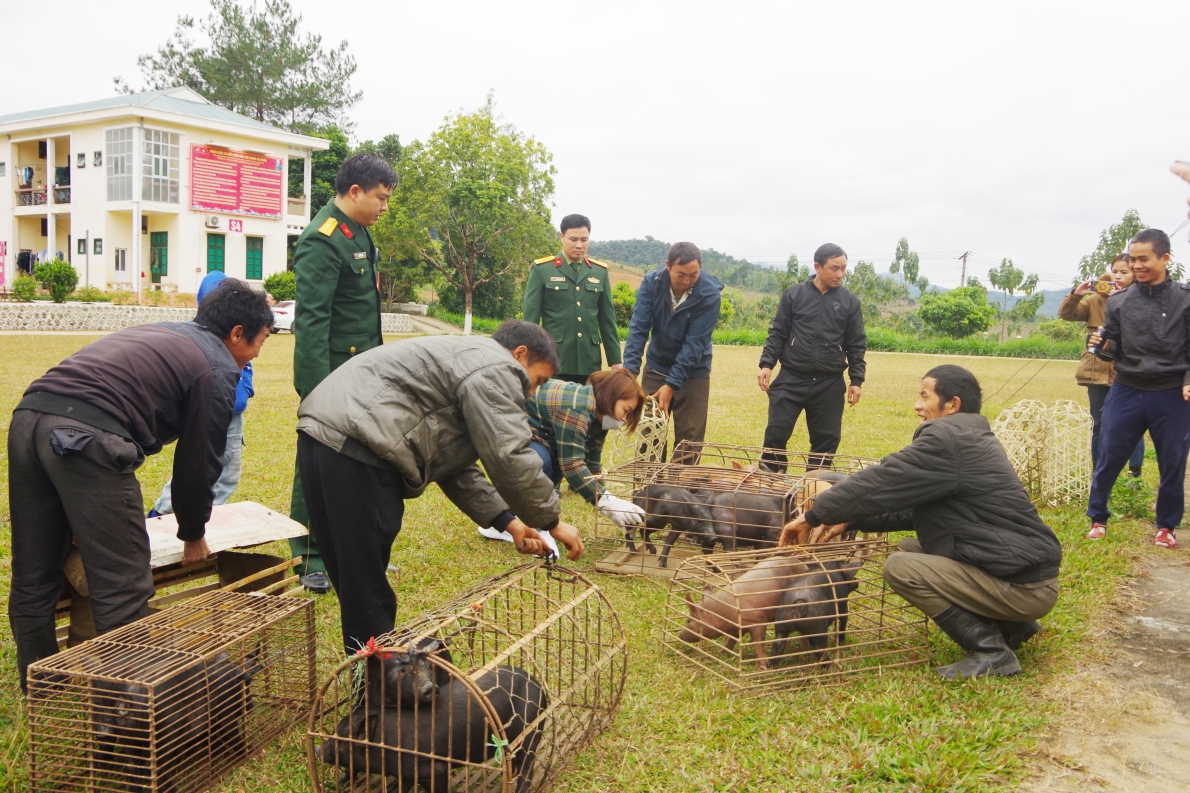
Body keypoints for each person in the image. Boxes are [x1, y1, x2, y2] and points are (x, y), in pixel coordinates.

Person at [8, 281, 273, 691]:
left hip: (29, 419)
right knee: (122, 584)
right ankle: (128, 709)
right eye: (260, 342)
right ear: (238, 333)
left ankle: (42, 688)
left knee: (35, 571)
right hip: (87, 438)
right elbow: (199, 463)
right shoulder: (218, 365)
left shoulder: (168, 331)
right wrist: (192, 533)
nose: (256, 355)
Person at [295, 320, 586, 656]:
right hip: (361, 450)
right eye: (538, 380)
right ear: (520, 355)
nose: (531, 392)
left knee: (355, 583)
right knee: (367, 590)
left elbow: (453, 465)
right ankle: (377, 697)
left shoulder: (464, 358)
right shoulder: (498, 366)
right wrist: (551, 521)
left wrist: (509, 521)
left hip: (320, 437)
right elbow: (509, 455)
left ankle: (370, 678)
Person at [778, 364, 1062, 680]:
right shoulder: (969, 437)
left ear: (952, 405)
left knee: (901, 567)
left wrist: (813, 515)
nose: (917, 405)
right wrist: (852, 517)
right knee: (914, 547)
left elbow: (882, 481)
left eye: (924, 396)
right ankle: (1014, 627)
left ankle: (991, 651)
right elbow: (917, 510)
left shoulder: (946, 439)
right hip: (1027, 578)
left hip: (1024, 587)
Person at [289, 153, 398, 593]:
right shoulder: (323, 239)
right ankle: (310, 556)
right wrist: (316, 392)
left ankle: (359, 552)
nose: (384, 207)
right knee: (317, 463)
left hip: (364, 373)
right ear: (355, 192)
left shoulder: (360, 234)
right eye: (380, 198)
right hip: (332, 375)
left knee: (363, 462)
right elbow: (312, 321)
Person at [1086, 229, 1190, 548]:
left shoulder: (1185, 300)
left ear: (1165, 258)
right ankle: (1098, 518)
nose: (1137, 265)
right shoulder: (1118, 301)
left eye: (1144, 259)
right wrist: (1103, 346)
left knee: (1173, 461)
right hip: (1127, 389)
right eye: (1133, 259)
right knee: (1109, 453)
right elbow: (1114, 344)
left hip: (1173, 394)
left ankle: (1166, 527)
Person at [478, 368, 648, 550]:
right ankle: (503, 525)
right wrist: (607, 501)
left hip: (540, 433)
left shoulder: (599, 415)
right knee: (540, 461)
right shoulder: (577, 407)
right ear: (611, 396)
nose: (624, 418)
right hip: (507, 430)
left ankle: (524, 518)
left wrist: (610, 506)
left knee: (555, 465)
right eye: (626, 410)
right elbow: (572, 464)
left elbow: (592, 463)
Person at [149, 271, 255, 516]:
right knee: (202, 470)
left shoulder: (237, 335)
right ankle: (166, 513)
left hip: (232, 413)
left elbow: (246, 370)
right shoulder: (198, 336)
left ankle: (204, 517)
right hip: (208, 411)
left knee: (226, 473)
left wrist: (245, 390)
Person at [757, 243, 865, 472]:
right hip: (792, 377)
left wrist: (856, 380)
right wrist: (767, 364)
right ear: (817, 266)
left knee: (826, 441)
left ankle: (814, 490)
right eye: (834, 268)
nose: (840, 274)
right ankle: (770, 485)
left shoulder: (849, 302)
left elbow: (856, 344)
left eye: (844, 268)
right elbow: (778, 332)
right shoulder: (794, 295)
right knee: (775, 433)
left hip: (829, 382)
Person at [622, 242, 723, 464]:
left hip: (693, 372)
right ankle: (646, 494)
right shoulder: (652, 283)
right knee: (650, 433)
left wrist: (671, 385)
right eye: (681, 274)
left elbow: (695, 344)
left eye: (693, 275)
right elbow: (638, 330)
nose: (687, 281)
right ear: (668, 266)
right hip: (657, 365)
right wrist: (628, 377)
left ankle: (682, 495)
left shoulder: (710, 294)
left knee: (690, 440)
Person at [1058, 260, 1144, 477]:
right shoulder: (1095, 301)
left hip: (1126, 371)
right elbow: (1067, 314)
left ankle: (1135, 473)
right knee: (1098, 423)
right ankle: (1099, 471)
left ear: (1134, 275)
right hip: (1096, 370)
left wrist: (1121, 300)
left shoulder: (1142, 300)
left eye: (1124, 272)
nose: (1117, 276)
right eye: (1114, 271)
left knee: (1132, 422)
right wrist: (1077, 294)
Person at [523, 214, 623, 384]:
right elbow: (530, 320)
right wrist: (527, 359)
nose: (579, 245)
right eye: (573, 239)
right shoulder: (543, 270)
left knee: (587, 408)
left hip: (589, 361)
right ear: (561, 236)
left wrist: (615, 362)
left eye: (584, 239)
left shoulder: (599, 272)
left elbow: (607, 321)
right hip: (554, 358)